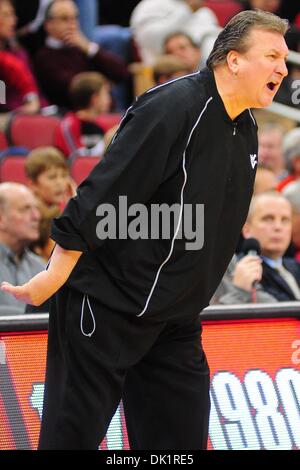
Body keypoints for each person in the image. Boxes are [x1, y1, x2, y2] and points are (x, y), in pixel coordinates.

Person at [1, 10, 289, 450]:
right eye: (272, 55)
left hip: (174, 319)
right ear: (233, 60)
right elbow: (105, 192)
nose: (283, 69)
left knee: (178, 443)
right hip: (109, 303)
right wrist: (54, 275)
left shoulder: (246, 126)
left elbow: (215, 221)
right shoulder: (172, 106)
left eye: (284, 59)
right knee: (69, 439)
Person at [33, 0, 130, 109]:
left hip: (104, 112)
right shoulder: (44, 57)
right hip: (74, 117)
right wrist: (103, 82)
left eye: (75, 18)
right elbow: (77, 88)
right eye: (64, 19)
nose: (72, 24)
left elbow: (122, 72)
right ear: (48, 25)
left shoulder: (82, 48)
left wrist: (88, 47)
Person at [0, 183, 45, 313]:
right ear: (1, 219)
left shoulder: (41, 267)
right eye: (25, 209)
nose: (36, 216)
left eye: (36, 208)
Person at [130, 0, 219, 64]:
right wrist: (187, 10)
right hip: (168, 70)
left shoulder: (203, 11)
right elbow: (149, 39)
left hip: (207, 64)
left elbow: (215, 34)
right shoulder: (149, 5)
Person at [54, 72, 112, 157]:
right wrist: (105, 143)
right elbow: (77, 160)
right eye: (105, 94)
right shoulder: (68, 125)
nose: (109, 99)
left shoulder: (102, 125)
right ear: (94, 99)